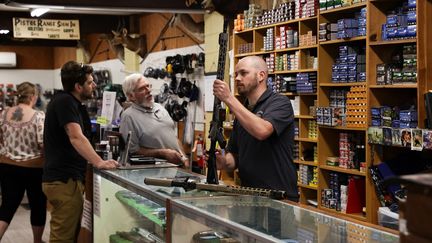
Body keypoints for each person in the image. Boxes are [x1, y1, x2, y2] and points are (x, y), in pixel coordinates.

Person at [42, 61, 118, 242]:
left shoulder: (69, 102)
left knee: (68, 233)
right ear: (78, 86)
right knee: (63, 237)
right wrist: (99, 162)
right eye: (90, 82)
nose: (93, 86)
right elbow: (75, 137)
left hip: (66, 179)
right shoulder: (66, 102)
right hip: (64, 181)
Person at [212, 56, 298, 202]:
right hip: (250, 195)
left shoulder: (280, 102)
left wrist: (228, 98)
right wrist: (223, 162)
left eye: (243, 73)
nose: (238, 78)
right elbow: (236, 157)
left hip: (279, 196)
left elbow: (262, 131)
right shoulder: (243, 110)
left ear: (261, 76)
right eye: (236, 74)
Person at [0, 82, 46, 243]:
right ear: (33, 97)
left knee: (7, 207)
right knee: (38, 206)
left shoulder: (4, 113)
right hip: (33, 168)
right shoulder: (38, 116)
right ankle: (37, 241)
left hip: (7, 166)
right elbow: (43, 143)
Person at [120, 73, 188, 166]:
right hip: (154, 173)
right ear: (131, 96)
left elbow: (173, 137)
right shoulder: (128, 117)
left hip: (177, 168)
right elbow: (133, 151)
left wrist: (184, 158)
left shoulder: (160, 107)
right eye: (142, 89)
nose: (148, 90)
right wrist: (163, 153)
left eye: (148, 86)